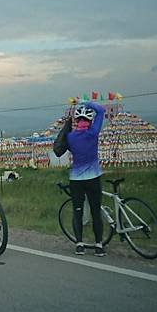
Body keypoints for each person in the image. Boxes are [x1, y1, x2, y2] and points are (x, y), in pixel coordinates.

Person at [67, 102, 106, 257]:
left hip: (76, 179)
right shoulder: (93, 133)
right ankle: (99, 245)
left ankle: (79, 244)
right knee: (96, 211)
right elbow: (101, 111)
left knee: (78, 211)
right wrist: (88, 103)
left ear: (77, 121)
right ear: (90, 122)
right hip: (93, 177)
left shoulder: (70, 137)